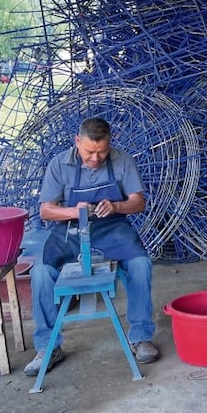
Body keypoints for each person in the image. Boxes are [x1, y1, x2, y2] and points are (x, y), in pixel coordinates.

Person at [25, 117, 159, 375]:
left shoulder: (122, 160)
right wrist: (73, 211)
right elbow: (46, 211)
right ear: (77, 141)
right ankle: (48, 346)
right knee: (41, 272)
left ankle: (141, 336)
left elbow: (138, 203)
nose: (96, 158)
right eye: (89, 152)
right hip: (70, 230)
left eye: (102, 152)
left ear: (110, 144)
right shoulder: (59, 164)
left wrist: (117, 206)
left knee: (140, 263)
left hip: (112, 228)